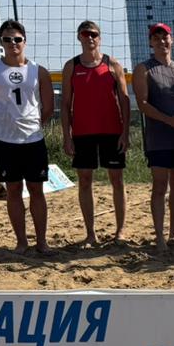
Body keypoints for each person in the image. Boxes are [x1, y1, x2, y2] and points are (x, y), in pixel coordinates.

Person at [0, 20, 54, 252]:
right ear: (1, 42)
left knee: (36, 190)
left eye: (17, 39)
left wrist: (32, 125)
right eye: (7, 39)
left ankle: (41, 241)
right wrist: (4, 125)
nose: (13, 43)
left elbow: (48, 108)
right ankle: (21, 242)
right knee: (13, 190)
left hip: (33, 139)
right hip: (4, 140)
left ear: (25, 41)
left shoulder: (39, 71)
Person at [61, 20, 131, 246]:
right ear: (79, 37)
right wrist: (67, 136)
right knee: (84, 180)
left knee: (117, 180)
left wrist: (125, 133)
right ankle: (91, 233)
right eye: (85, 34)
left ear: (99, 38)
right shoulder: (71, 66)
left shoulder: (113, 64)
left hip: (112, 131)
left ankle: (120, 232)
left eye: (93, 34)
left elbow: (125, 101)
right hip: (83, 133)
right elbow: (65, 104)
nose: (90, 38)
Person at [133, 23, 174, 251]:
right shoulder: (144, 69)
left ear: (172, 40)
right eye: (156, 38)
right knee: (160, 185)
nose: (162, 41)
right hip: (158, 138)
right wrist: (168, 120)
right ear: (150, 43)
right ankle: (160, 237)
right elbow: (142, 104)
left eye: (165, 37)